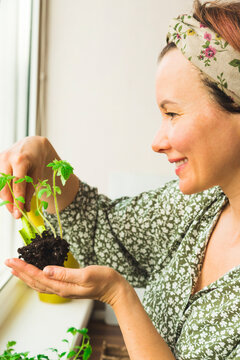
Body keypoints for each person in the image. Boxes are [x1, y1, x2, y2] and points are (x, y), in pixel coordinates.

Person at [2, 0, 240, 358]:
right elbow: (104, 231)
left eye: (172, 113)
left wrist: (119, 295)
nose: (157, 142)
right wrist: (46, 159)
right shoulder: (202, 204)